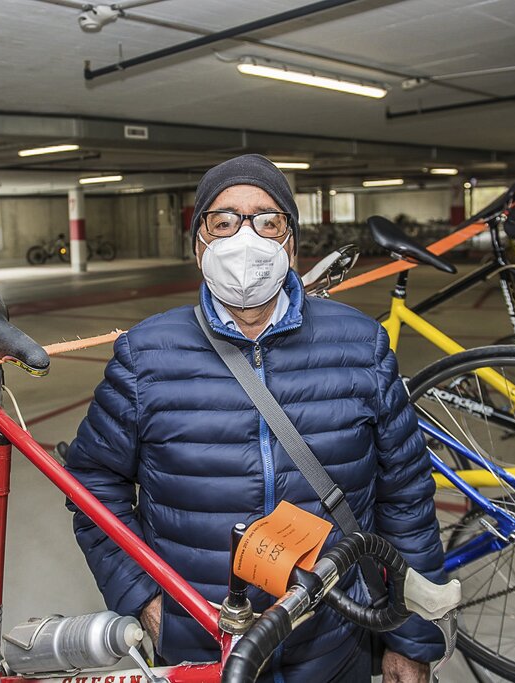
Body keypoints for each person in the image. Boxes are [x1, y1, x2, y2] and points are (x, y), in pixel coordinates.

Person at [65, 154, 445, 683]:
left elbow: (406, 495)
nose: (247, 238)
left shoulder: (360, 344)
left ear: (290, 243)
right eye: (224, 221)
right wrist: (148, 603)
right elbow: (92, 484)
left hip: (336, 637)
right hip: (202, 641)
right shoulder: (146, 355)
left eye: (268, 220)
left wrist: (411, 640)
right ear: (199, 245)